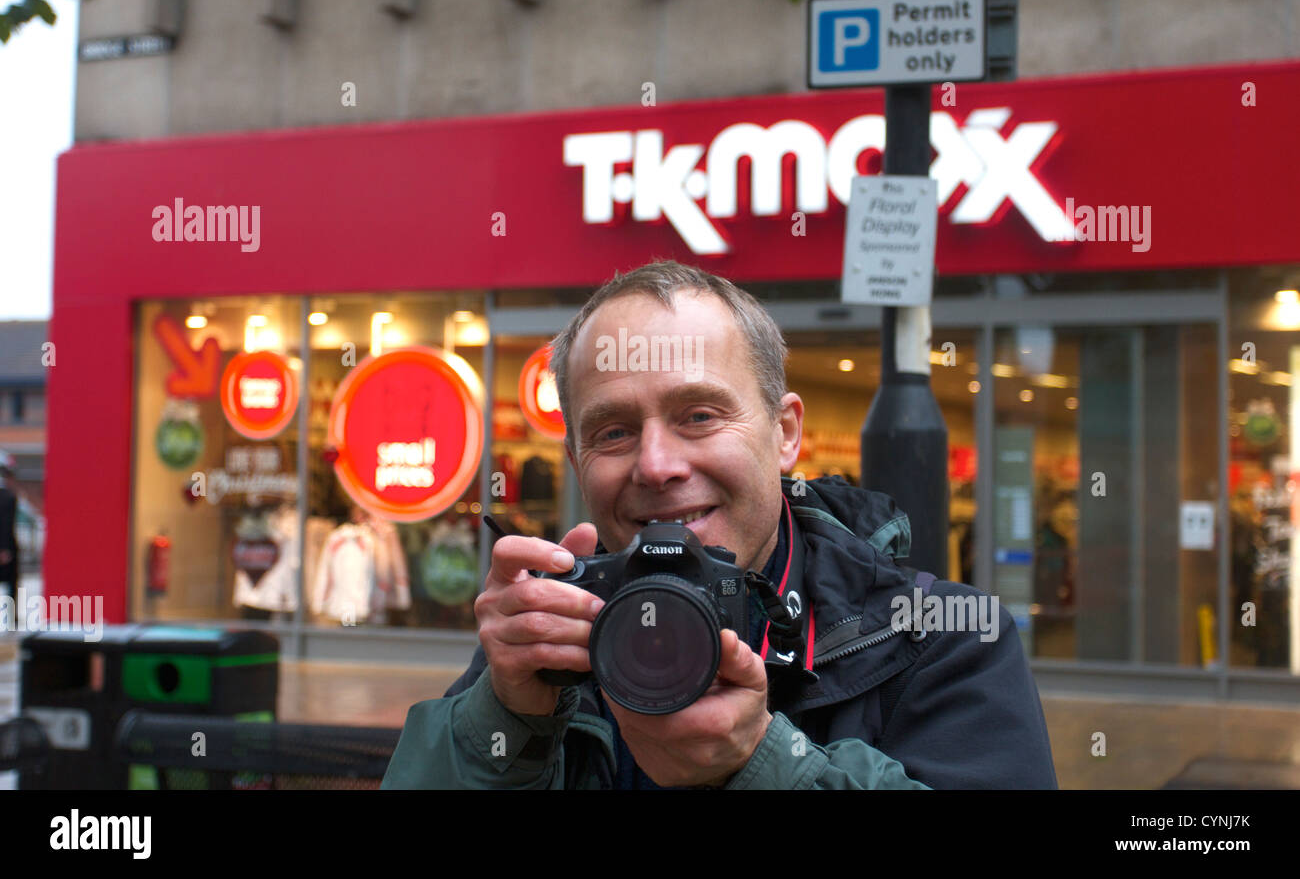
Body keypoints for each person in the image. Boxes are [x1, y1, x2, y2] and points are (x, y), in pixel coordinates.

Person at [382, 261, 1057, 789]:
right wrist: (502, 719)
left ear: (785, 432)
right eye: (613, 432)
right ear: (576, 460)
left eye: (699, 416)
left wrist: (762, 765)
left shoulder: (941, 639)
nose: (656, 464)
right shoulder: (558, 633)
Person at [0, 451, 19, 602]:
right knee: (10, 583)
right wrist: (5, 548)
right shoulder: (7, 497)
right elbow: (6, 523)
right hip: (5, 549)